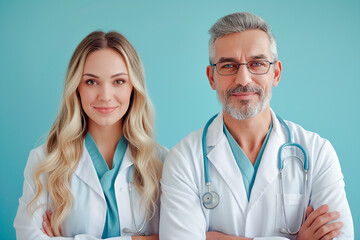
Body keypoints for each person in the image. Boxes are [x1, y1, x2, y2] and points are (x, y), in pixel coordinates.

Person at [159, 12, 353, 240]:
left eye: (257, 64)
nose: (243, 79)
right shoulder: (183, 159)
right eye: (229, 65)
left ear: (276, 73)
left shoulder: (317, 152)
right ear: (212, 77)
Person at [14, 31, 167, 240]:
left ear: (134, 87)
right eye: (91, 82)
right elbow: (27, 236)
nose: (105, 96)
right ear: (76, 87)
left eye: (119, 81)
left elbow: (180, 236)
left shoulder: (163, 162)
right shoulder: (44, 161)